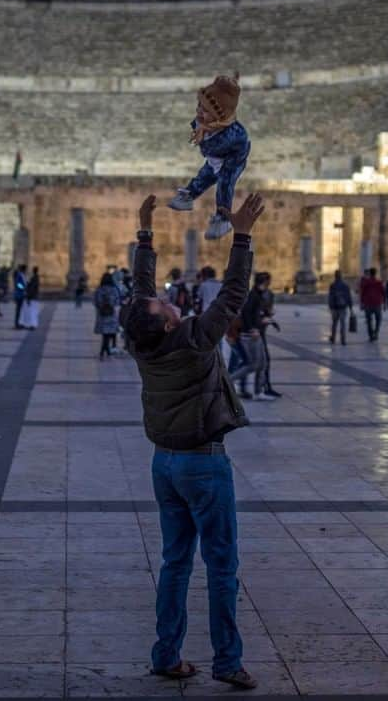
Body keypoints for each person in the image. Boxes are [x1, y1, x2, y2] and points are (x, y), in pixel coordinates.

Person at [122, 192, 262, 691]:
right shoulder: (195, 340)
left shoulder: (141, 341)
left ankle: (167, 654)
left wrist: (144, 232)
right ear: (167, 322)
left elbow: (140, 291)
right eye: (165, 305)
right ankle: (227, 662)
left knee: (175, 562)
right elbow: (232, 295)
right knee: (222, 566)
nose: (167, 300)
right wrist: (242, 235)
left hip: (164, 465)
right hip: (204, 465)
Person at [167, 75, 251, 241]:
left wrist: (203, 136)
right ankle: (189, 195)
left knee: (225, 185)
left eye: (205, 110)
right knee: (203, 176)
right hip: (215, 158)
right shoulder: (203, 126)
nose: (199, 111)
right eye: (199, 106)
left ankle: (223, 218)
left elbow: (212, 146)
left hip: (232, 162)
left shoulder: (233, 134)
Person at [237, 272, 273, 401]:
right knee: (253, 364)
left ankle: (258, 392)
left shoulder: (257, 295)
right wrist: (253, 328)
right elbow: (246, 313)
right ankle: (229, 381)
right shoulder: (254, 296)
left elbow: (254, 314)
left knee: (262, 363)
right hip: (251, 335)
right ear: (265, 282)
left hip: (256, 332)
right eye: (269, 281)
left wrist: (263, 319)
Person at [94, 272, 121, 359]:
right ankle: (105, 351)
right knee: (108, 333)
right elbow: (117, 301)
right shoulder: (114, 289)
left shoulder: (99, 289)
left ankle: (104, 351)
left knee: (105, 334)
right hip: (111, 314)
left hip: (102, 315)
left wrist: (101, 306)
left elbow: (95, 302)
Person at [359, 267, 385, 342]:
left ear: (370, 273)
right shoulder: (379, 282)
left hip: (368, 304)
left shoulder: (366, 282)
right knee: (378, 319)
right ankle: (376, 333)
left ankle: (371, 335)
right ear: (376, 273)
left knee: (369, 320)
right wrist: (384, 304)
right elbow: (383, 293)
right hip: (377, 303)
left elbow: (362, 293)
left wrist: (362, 303)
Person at [327, 270, 352, 345]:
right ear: (341, 276)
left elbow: (330, 297)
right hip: (343, 307)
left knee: (334, 323)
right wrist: (351, 308)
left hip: (335, 307)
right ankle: (343, 339)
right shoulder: (345, 286)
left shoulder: (332, 285)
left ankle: (333, 338)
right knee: (343, 324)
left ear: (335, 276)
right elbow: (348, 297)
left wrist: (330, 306)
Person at [13, 264, 27, 329]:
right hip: (19, 295)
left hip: (21, 295)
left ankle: (19, 323)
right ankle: (16, 324)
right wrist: (23, 288)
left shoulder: (22, 275)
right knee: (18, 310)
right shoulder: (19, 275)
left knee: (20, 310)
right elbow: (17, 284)